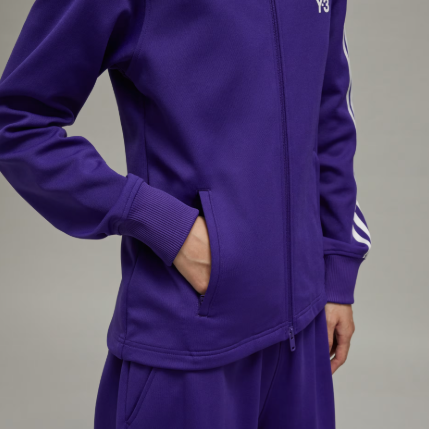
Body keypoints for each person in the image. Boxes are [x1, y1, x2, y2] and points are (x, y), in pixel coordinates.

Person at [0, 0, 371, 427]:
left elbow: (330, 111)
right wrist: (162, 223)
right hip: (189, 344)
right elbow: (16, 123)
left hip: (302, 339)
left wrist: (337, 272)